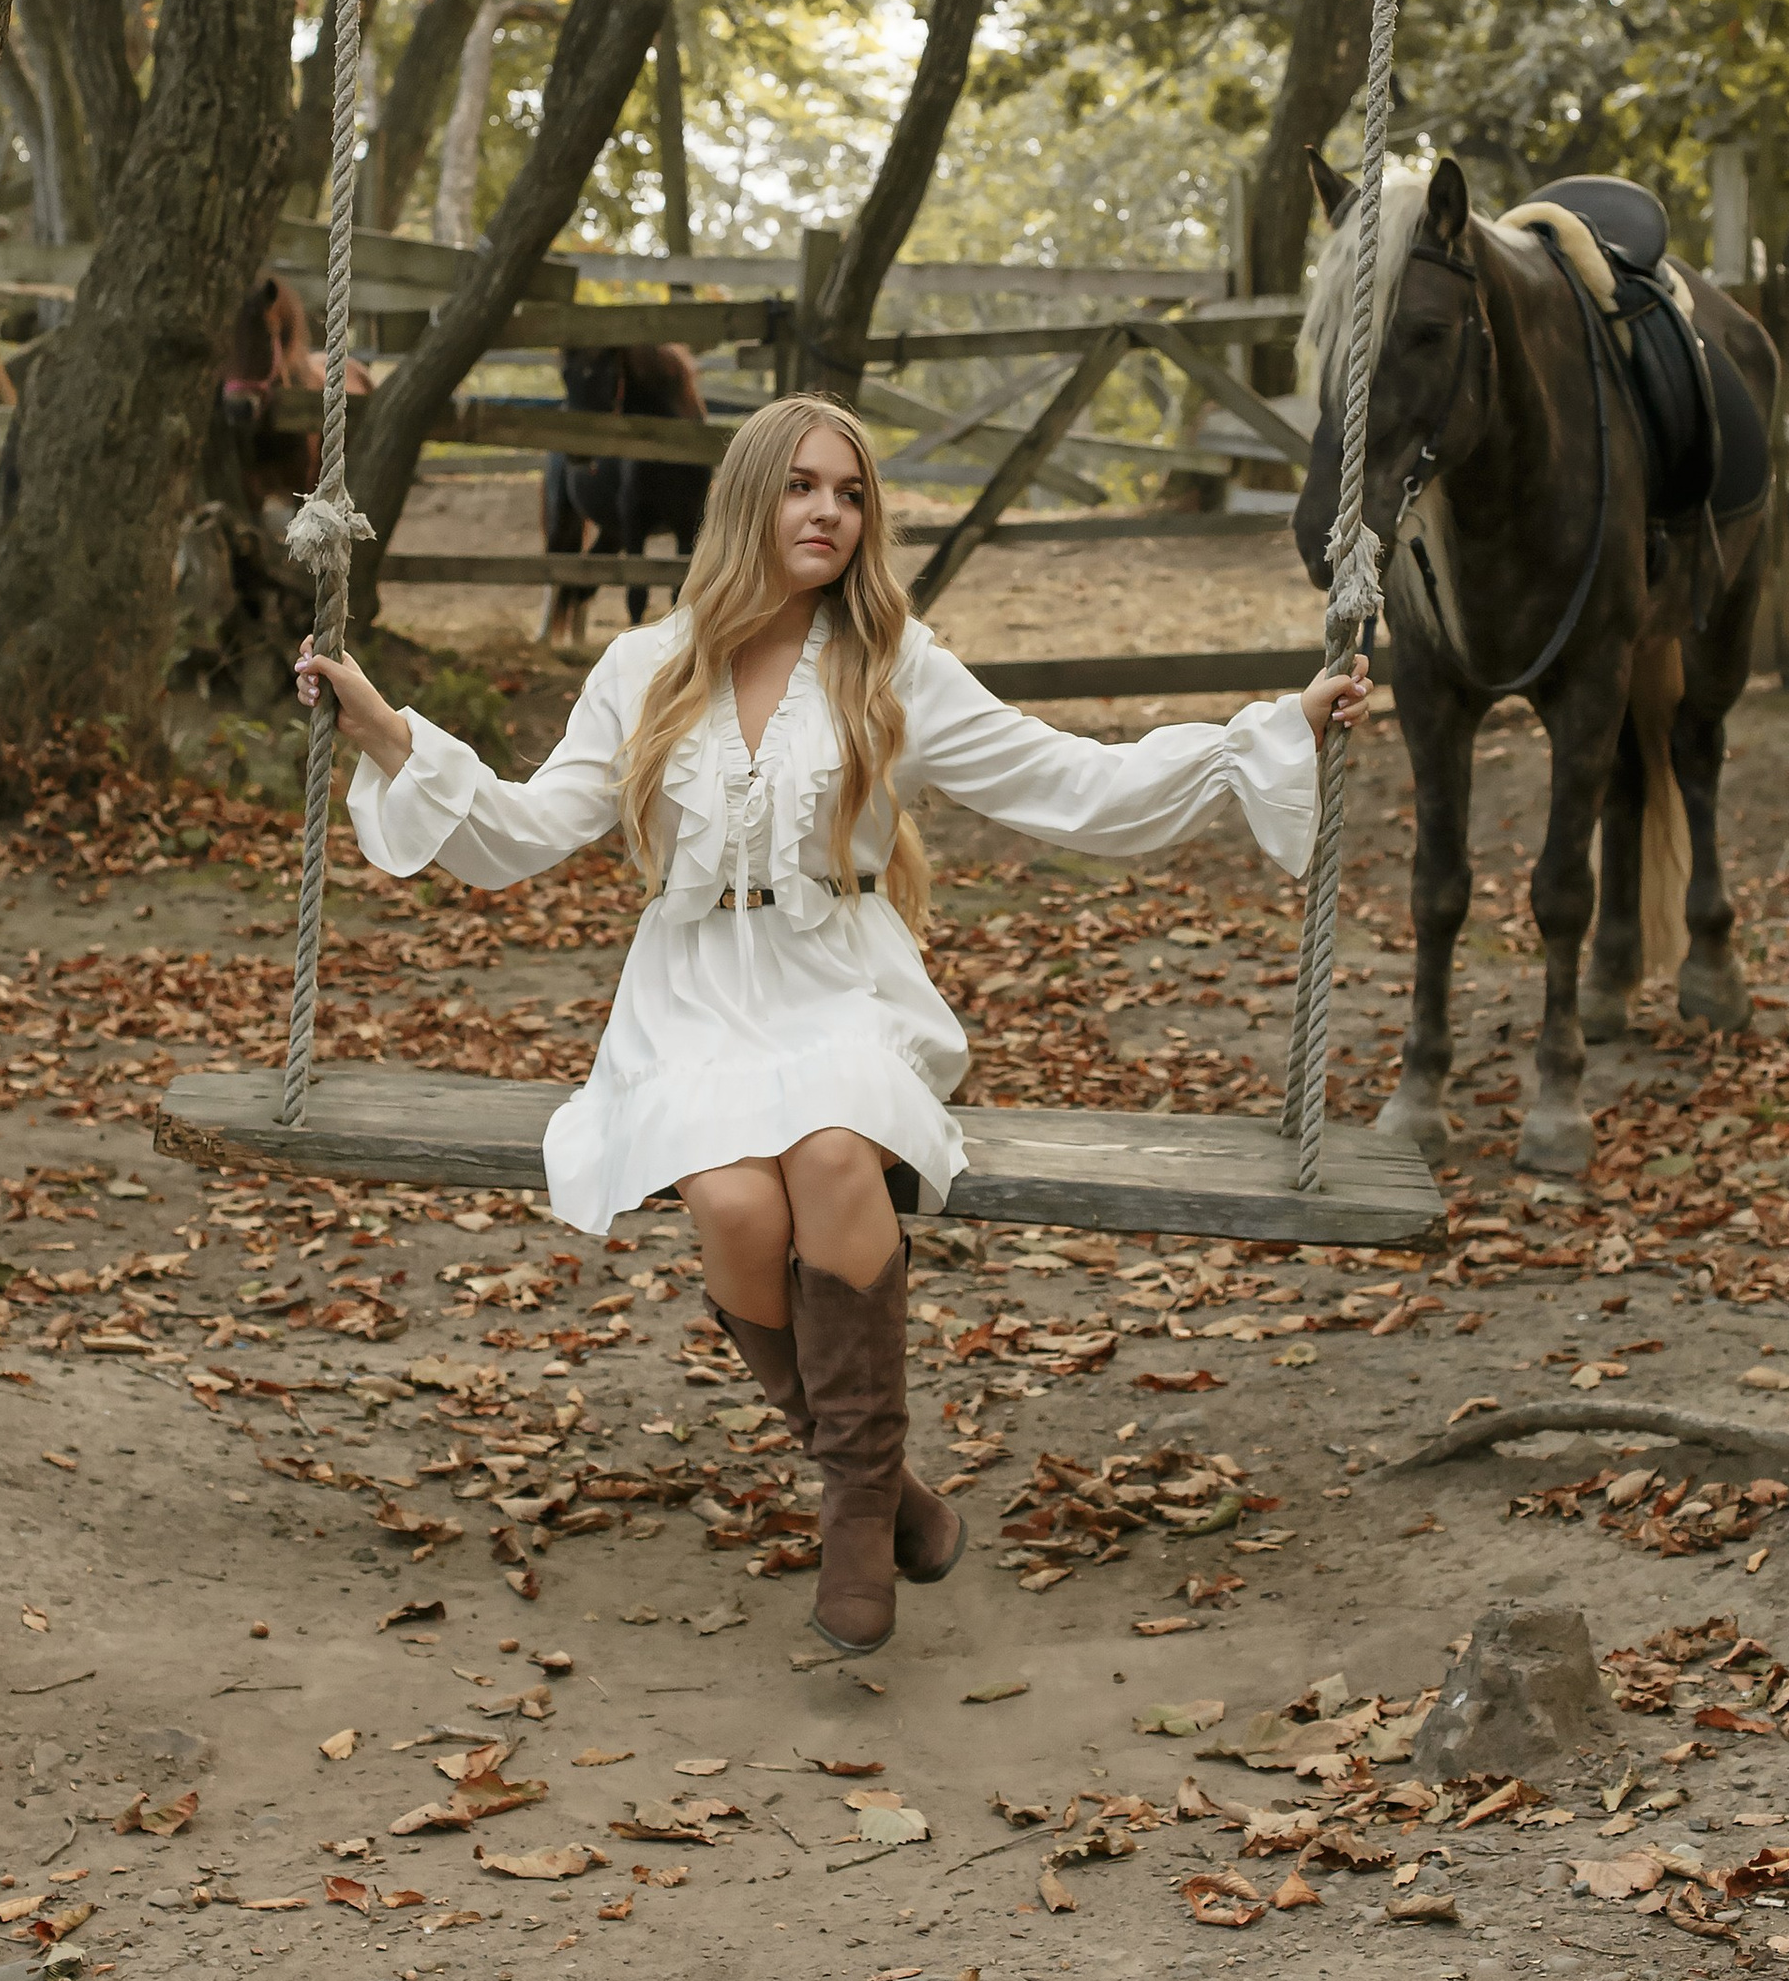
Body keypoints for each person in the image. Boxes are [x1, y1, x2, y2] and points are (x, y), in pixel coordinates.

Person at [297, 394, 1372, 1658]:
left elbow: (1070, 783)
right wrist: (383, 728)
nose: (828, 512)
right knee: (738, 1208)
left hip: (838, 977)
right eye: (804, 486)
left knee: (826, 1153)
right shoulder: (645, 665)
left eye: (852, 494)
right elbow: (529, 829)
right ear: (751, 498)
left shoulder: (895, 663)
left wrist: (1266, 734)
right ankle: (888, 1485)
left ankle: (854, 1511)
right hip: (690, 990)